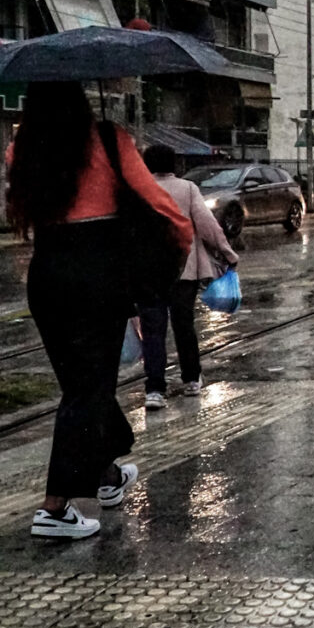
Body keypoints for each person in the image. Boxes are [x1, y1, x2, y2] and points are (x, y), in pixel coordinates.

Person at [7, 81, 191, 539]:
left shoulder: (22, 149)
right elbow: (165, 210)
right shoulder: (110, 140)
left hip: (47, 275)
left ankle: (107, 476)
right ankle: (55, 508)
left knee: (82, 383)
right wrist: (174, 258)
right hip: (97, 275)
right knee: (87, 389)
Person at [140, 145, 238, 410]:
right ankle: (192, 379)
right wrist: (228, 253)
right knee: (184, 325)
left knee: (153, 330)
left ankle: (155, 389)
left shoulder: (139, 189)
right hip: (184, 269)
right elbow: (208, 225)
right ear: (174, 164)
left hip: (148, 273)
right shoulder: (187, 189)